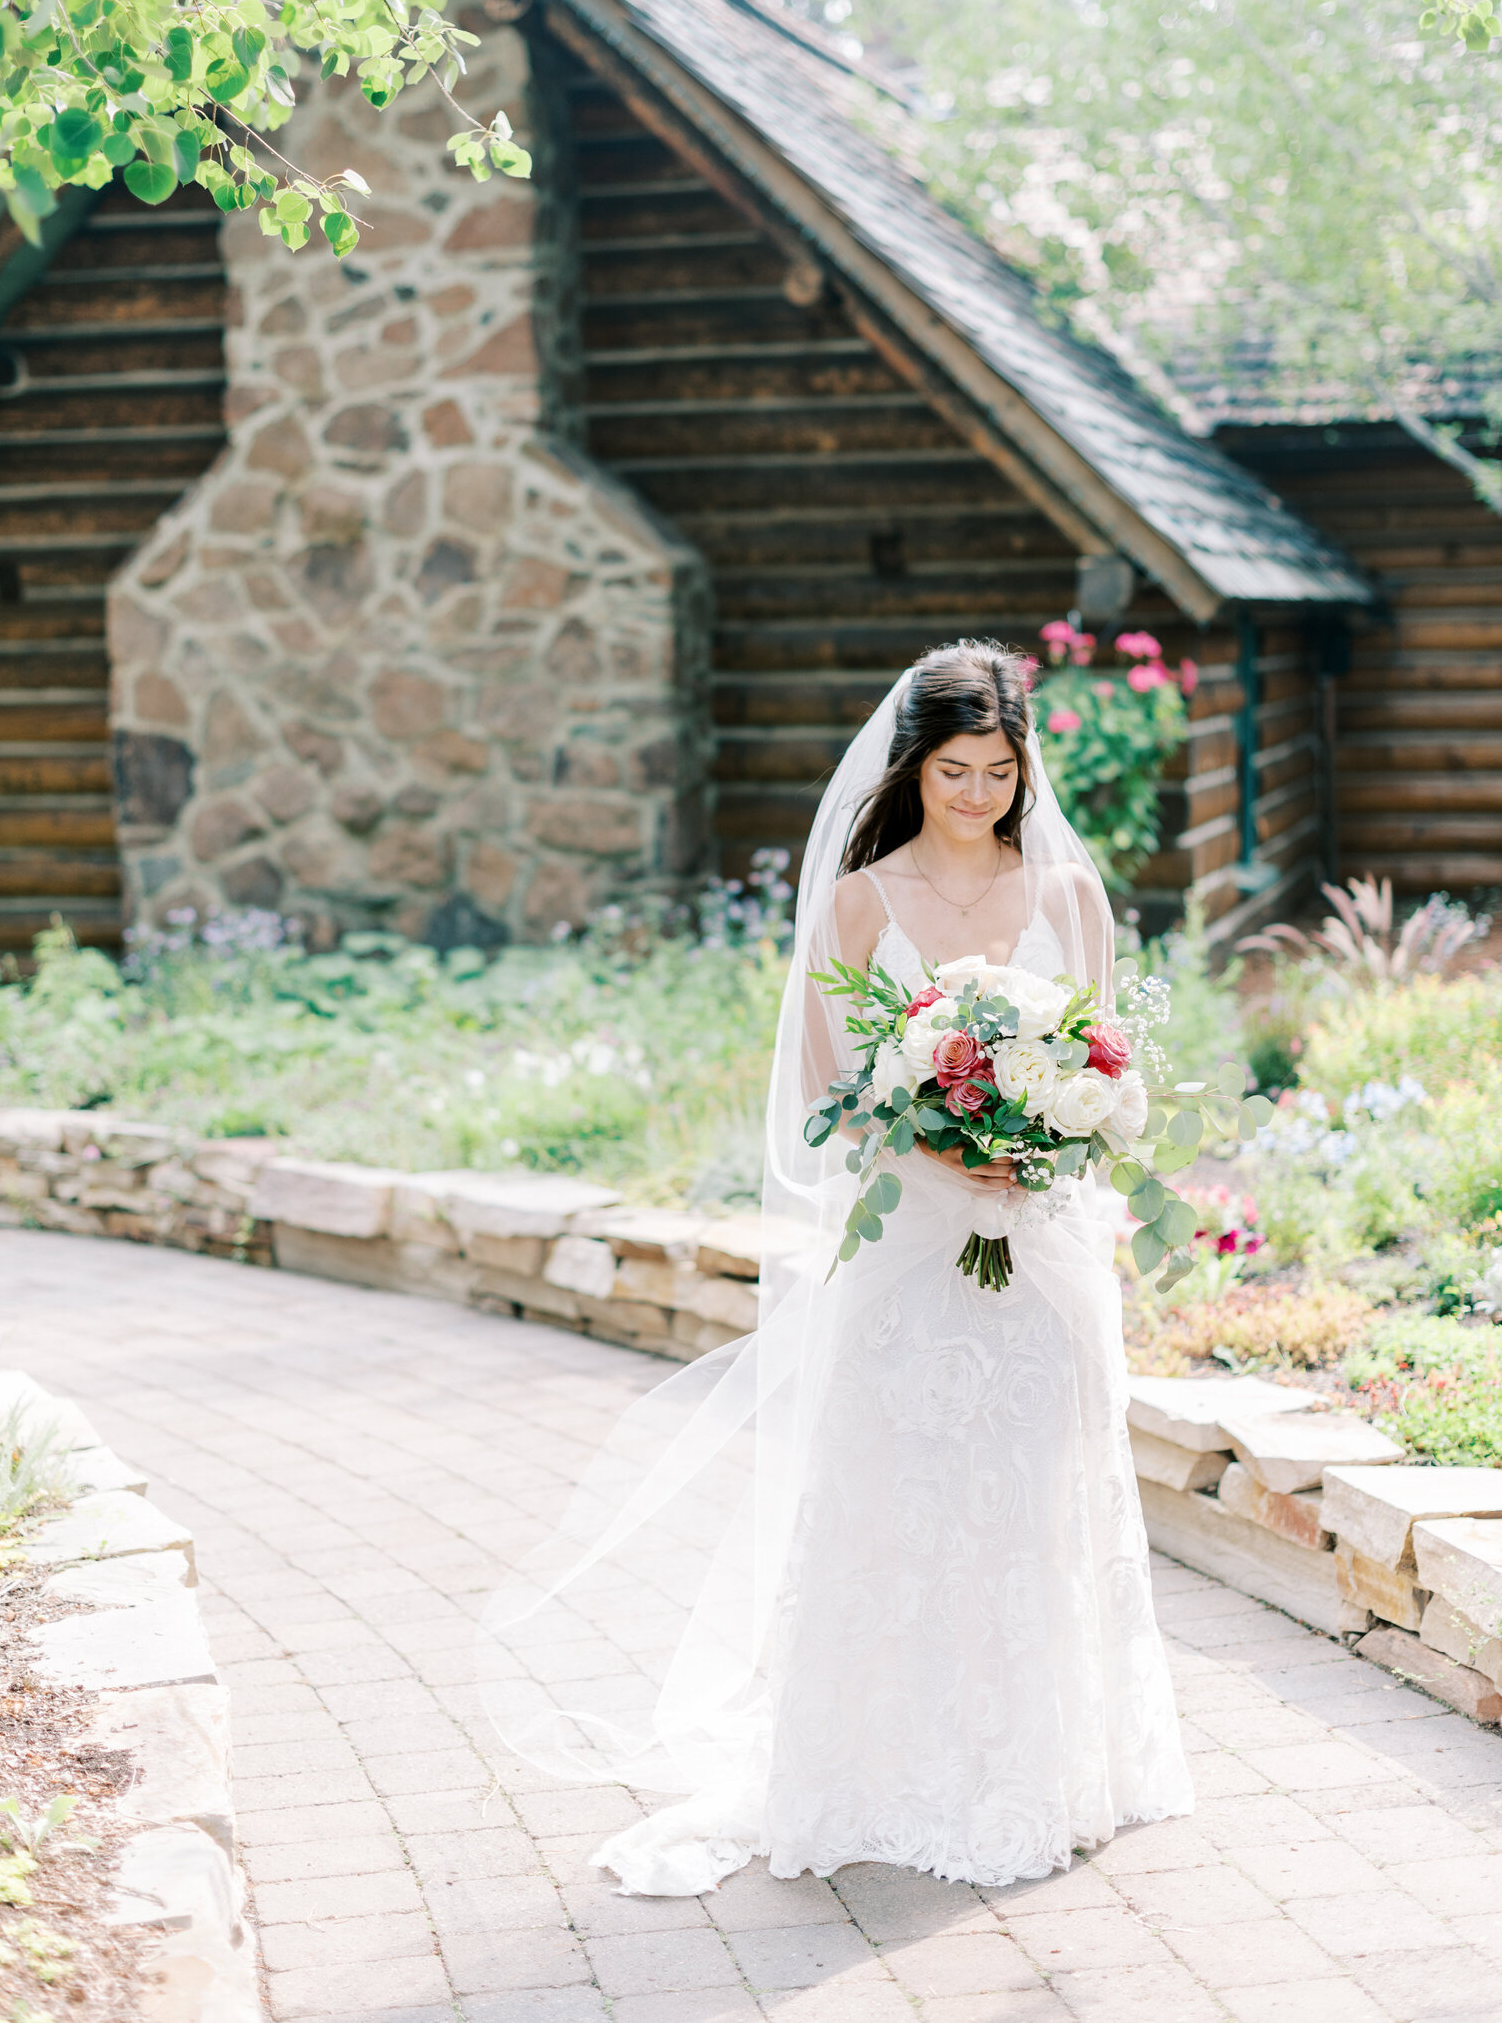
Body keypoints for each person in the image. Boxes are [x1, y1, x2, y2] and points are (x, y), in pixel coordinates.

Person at [482, 639, 1192, 1897]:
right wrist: (944, 1136)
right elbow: (831, 1092)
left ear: (1026, 767)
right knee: (901, 1497)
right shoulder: (860, 898)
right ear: (912, 764)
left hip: (1039, 1251)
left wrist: (1038, 1142)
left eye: (999, 769)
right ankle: (885, 1763)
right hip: (911, 1246)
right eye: (953, 769)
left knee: (1033, 1500)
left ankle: (1042, 1765)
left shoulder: (1066, 894)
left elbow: (1101, 1068)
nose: (976, 793)